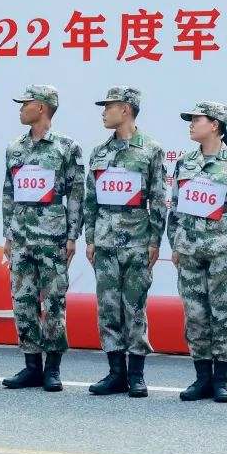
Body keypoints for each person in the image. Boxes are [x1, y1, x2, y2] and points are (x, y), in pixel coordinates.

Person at [166, 101, 227, 403]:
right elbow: (175, 207)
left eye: (197, 119)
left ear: (215, 125)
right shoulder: (185, 162)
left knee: (223, 313)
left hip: (223, 249)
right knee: (195, 314)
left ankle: (221, 380)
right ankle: (202, 377)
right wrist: (175, 242)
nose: (192, 124)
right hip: (189, 248)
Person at [83, 87, 167, 398]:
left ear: (126, 109)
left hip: (137, 240)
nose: (104, 112)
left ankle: (136, 374)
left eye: (110, 106)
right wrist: (90, 238)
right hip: (105, 241)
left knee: (135, 306)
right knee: (108, 307)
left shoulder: (150, 150)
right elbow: (91, 198)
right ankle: (115, 372)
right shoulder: (99, 152)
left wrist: (155, 240)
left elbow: (158, 199)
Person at [0, 85, 84, 391]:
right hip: (21, 238)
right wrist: (8, 234)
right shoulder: (15, 147)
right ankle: (31, 365)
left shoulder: (66, 147)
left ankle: (52, 368)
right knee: (23, 302)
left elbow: (76, 194)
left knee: (54, 302)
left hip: (52, 237)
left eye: (26, 103)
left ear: (42, 107)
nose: (20, 108)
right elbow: (8, 192)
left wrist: (72, 236)